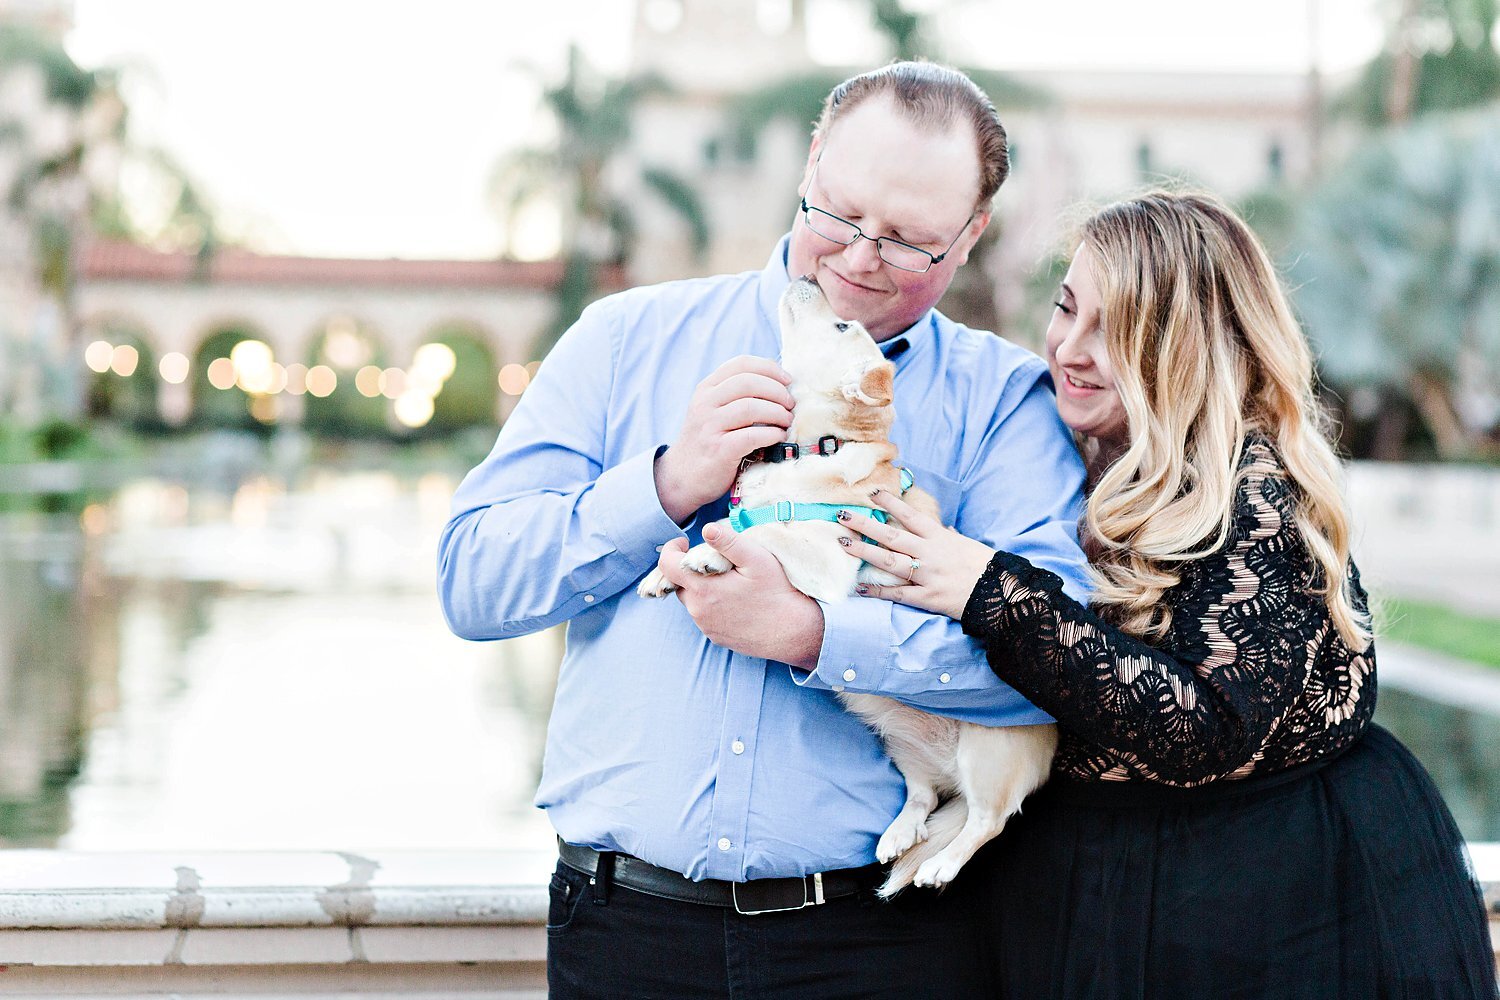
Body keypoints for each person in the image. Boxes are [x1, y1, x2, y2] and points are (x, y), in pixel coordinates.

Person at [437, 61, 1091, 999]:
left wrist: (816, 635)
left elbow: (1060, 659)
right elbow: (472, 582)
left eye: (910, 241)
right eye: (839, 213)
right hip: (625, 930)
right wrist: (666, 483)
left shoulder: (1002, 404)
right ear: (812, 162)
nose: (861, 257)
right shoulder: (622, 340)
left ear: (971, 234)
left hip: (884, 938)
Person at [839, 190, 1499, 999]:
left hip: (1278, 908)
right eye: (1065, 308)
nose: (1069, 351)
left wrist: (990, 591)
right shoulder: (1056, 455)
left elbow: (1206, 727)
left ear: (1190, 346)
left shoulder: (1254, 490)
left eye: (1113, 330)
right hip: (1090, 891)